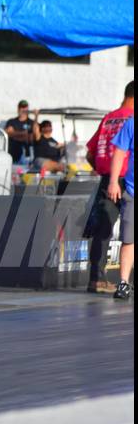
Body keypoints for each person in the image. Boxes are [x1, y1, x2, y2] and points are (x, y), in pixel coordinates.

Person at [85, 81, 134, 294]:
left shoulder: (108, 118)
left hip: (108, 179)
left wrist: (103, 171)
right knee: (130, 233)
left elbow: (90, 152)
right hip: (129, 179)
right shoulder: (131, 119)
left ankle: (96, 279)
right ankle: (126, 280)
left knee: (102, 229)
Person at [106, 116, 134, 300]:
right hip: (132, 191)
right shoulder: (131, 123)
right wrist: (113, 181)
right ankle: (124, 282)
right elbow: (119, 152)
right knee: (129, 238)